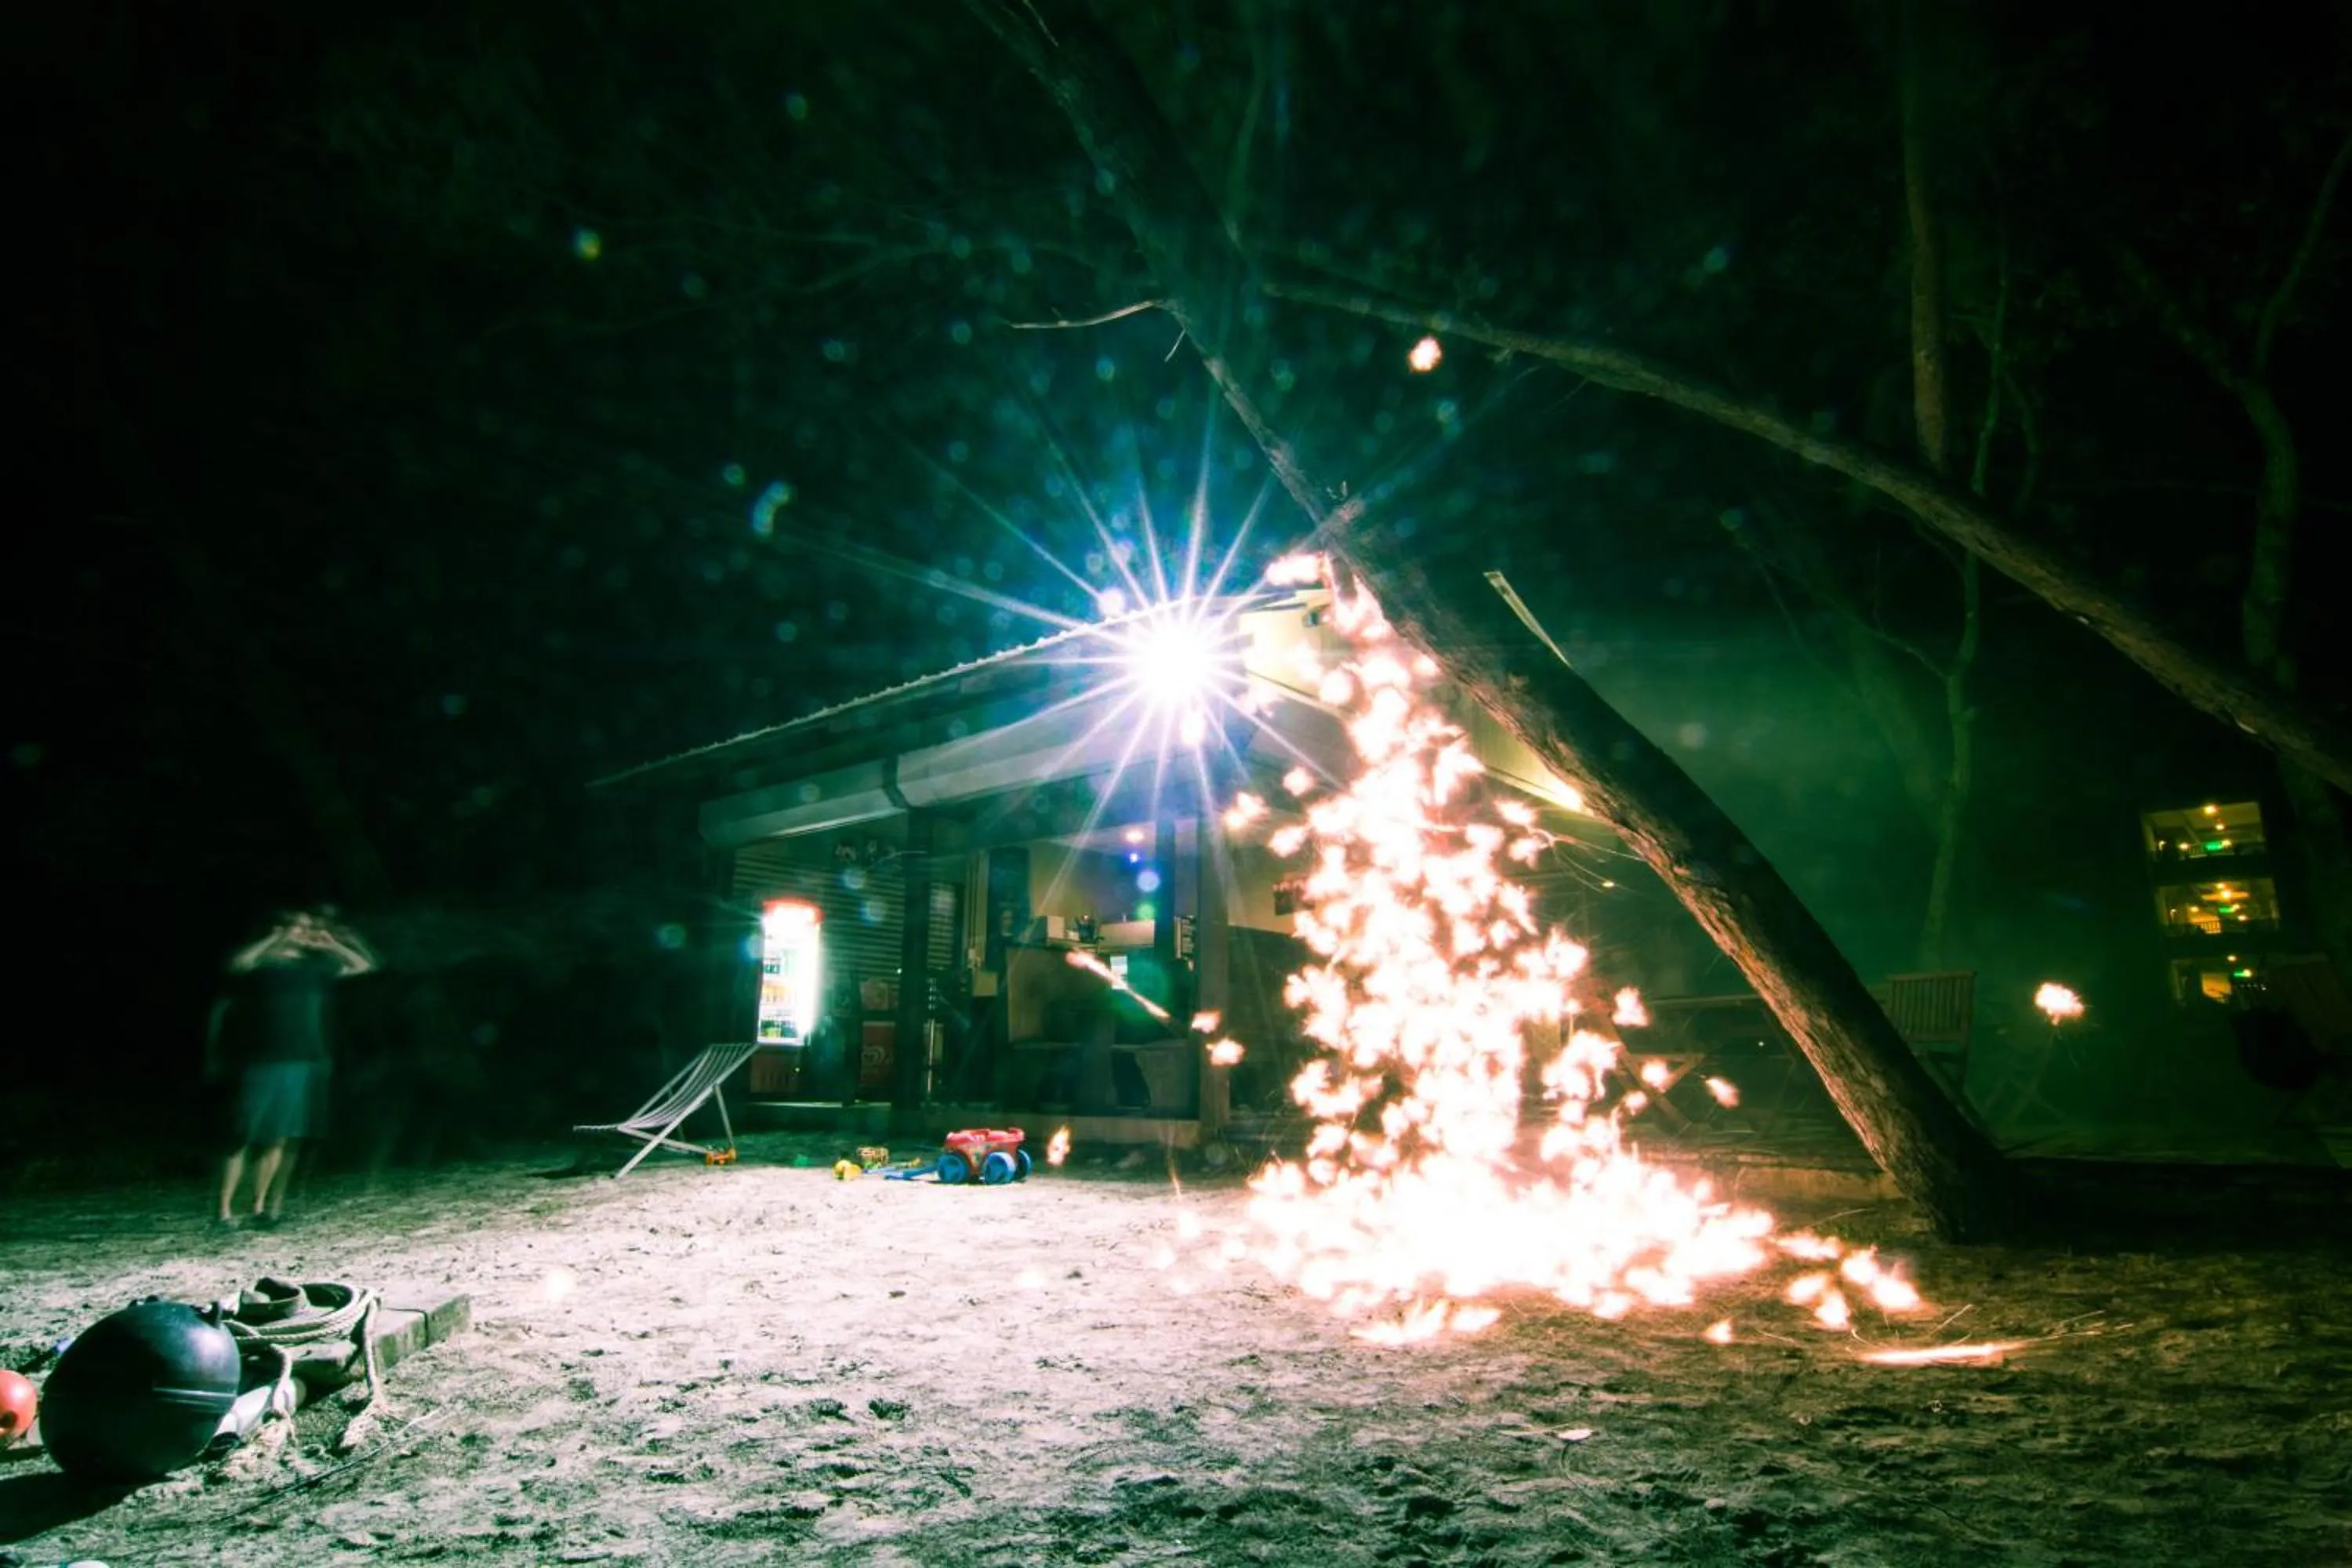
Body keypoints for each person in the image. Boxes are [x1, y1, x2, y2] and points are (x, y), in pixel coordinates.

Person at [206, 906, 376, 1229]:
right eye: (299, 928)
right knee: (242, 1136)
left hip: (302, 1060)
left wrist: (332, 944)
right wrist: (276, 938)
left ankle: (260, 1209)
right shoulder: (261, 965)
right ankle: (224, 1211)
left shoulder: (313, 967)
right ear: (279, 928)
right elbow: (238, 964)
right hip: (262, 1061)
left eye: (306, 928)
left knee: (280, 1138)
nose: (305, 933)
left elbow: (364, 965)